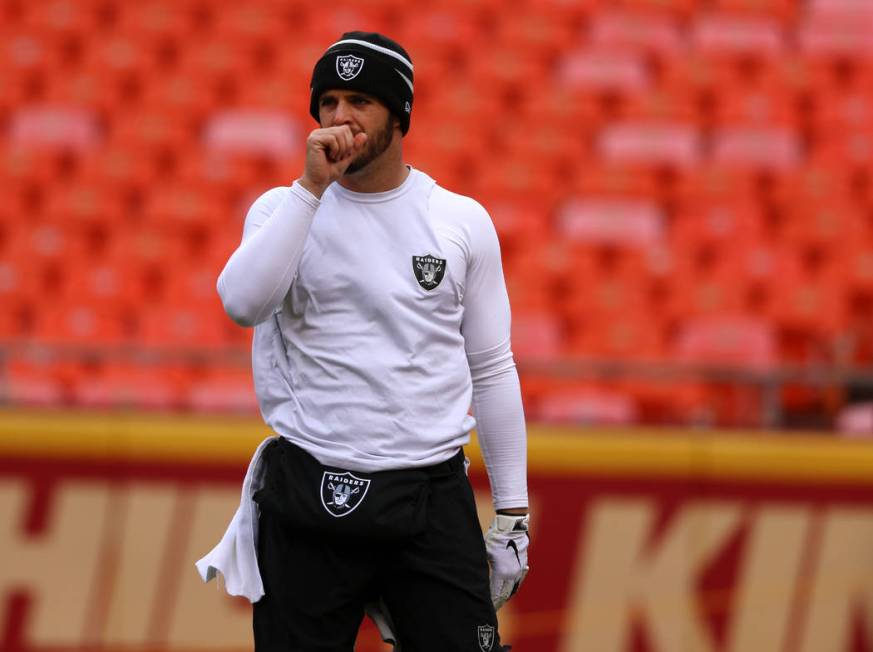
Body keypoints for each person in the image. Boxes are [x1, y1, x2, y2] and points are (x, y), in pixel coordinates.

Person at [196, 31, 529, 652]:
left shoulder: (459, 221)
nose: (338, 118)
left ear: (399, 115)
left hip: (429, 498)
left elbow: (493, 368)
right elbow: (243, 303)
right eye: (327, 102)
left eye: (359, 102)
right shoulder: (282, 209)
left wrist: (512, 511)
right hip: (308, 491)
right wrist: (311, 191)